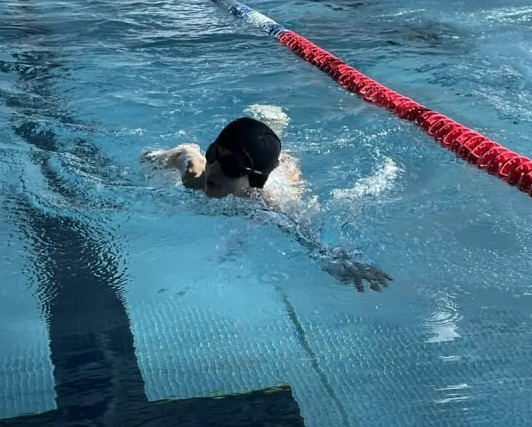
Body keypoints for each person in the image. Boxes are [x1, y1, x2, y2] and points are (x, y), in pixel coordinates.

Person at [144, 113, 390, 293]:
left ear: (254, 180)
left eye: (230, 167)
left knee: (283, 164)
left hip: (279, 174)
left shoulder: (269, 202)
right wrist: (162, 158)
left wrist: (346, 265)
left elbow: (306, 236)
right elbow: (173, 153)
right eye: (213, 154)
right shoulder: (196, 174)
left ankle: (274, 125)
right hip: (254, 164)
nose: (215, 168)